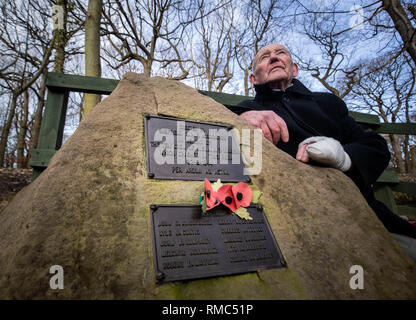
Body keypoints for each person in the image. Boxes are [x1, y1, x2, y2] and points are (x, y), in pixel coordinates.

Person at [227, 43, 416, 262]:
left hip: (363, 215)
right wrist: (240, 118)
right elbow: (212, 126)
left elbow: (375, 146)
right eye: (264, 57)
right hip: (288, 222)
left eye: (281, 54)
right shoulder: (245, 109)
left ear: (294, 69)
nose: (274, 58)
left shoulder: (328, 103)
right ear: (253, 79)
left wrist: (344, 157)